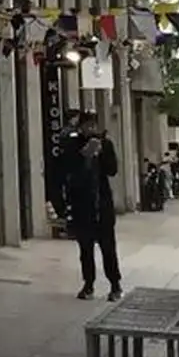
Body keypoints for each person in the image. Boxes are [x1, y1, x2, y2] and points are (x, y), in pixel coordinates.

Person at [58, 108, 122, 300]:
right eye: (87, 125)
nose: (90, 129)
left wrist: (101, 155)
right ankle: (88, 284)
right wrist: (83, 156)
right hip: (82, 204)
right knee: (85, 248)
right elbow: (66, 170)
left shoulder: (105, 143)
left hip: (102, 203)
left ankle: (115, 284)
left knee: (108, 247)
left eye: (93, 125)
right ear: (81, 127)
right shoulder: (73, 144)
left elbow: (112, 170)